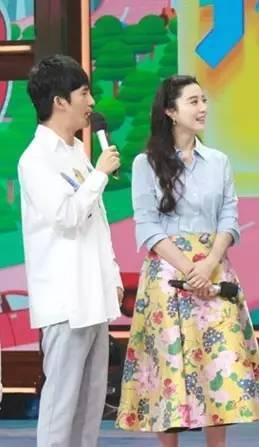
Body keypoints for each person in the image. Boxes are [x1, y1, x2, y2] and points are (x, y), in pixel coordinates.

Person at [116, 75, 259, 447]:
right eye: (193, 101)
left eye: (204, 100)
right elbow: (147, 226)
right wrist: (189, 269)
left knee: (218, 364)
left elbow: (229, 217)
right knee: (169, 369)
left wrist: (208, 264)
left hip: (214, 272)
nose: (203, 108)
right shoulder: (145, 164)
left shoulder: (218, 161)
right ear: (171, 112)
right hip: (168, 275)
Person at [18, 54, 123, 447]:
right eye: (84, 93)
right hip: (65, 302)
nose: (91, 102)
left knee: (90, 407)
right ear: (60, 101)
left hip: (94, 298)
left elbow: (98, 223)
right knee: (60, 407)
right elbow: (65, 215)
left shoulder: (77, 152)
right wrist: (100, 174)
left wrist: (113, 275)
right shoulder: (35, 159)